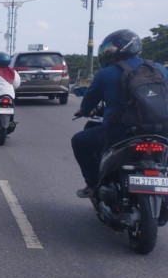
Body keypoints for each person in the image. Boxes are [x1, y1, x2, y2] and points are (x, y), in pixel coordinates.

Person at [72, 29, 168, 198]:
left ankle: (93, 184)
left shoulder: (106, 73)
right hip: (161, 131)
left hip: (122, 132)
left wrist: (83, 111)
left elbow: (88, 103)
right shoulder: (159, 69)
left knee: (79, 141)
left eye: (112, 48)